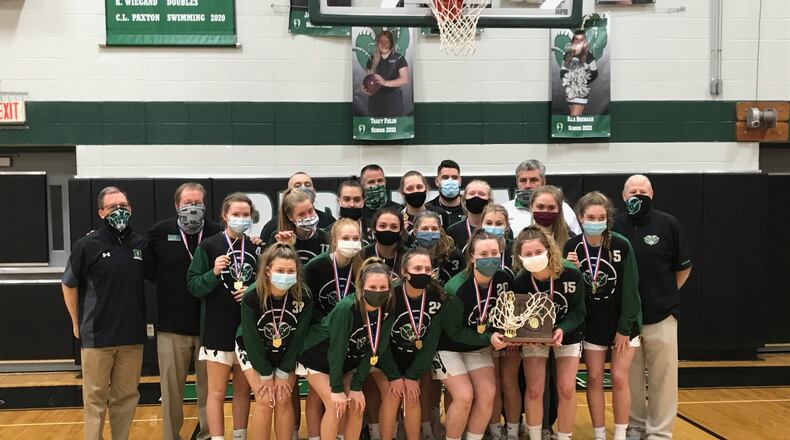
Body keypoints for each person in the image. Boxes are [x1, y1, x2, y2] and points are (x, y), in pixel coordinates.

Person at [61, 186, 149, 440]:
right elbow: (68, 283)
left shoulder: (140, 244)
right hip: (97, 336)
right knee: (95, 400)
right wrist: (76, 322)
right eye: (112, 207)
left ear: (130, 209)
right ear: (101, 213)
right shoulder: (87, 245)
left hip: (132, 337)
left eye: (123, 206)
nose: (119, 211)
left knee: (126, 398)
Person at [613, 175, 692, 440]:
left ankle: (659, 433)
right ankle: (634, 428)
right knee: (630, 379)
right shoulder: (614, 226)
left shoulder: (668, 223)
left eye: (642, 190)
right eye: (632, 191)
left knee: (664, 379)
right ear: (624, 196)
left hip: (662, 316)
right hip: (626, 321)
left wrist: (665, 294)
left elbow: (684, 268)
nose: (638, 194)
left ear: (652, 194)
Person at [564, 191, 641, 440]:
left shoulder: (621, 244)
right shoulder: (572, 247)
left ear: (608, 218)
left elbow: (631, 288)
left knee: (618, 377)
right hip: (592, 324)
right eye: (590, 216)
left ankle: (619, 434)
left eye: (601, 216)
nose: (596, 221)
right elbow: (568, 291)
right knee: (594, 378)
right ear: (581, 217)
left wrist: (625, 328)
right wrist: (571, 270)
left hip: (622, 323)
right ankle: (599, 434)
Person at [147, 182, 221, 440]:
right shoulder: (159, 232)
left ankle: (208, 435)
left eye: (197, 203)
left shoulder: (216, 232)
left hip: (207, 326)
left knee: (209, 390)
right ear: (176, 205)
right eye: (187, 203)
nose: (192, 207)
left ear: (205, 205)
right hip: (171, 328)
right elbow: (149, 271)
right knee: (171, 392)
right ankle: (171, 436)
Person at [187, 192, 262, 440]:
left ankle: (239, 436)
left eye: (245, 215)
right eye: (236, 214)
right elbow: (194, 285)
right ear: (224, 216)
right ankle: (217, 438)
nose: (241, 219)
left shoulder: (255, 246)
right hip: (217, 329)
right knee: (216, 392)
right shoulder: (209, 246)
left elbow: (267, 285)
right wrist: (213, 273)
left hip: (247, 330)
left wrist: (252, 291)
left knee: (243, 391)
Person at [297, 258, 397, 440]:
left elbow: (374, 350)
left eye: (383, 288)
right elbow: (337, 350)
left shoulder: (389, 307)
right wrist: (336, 389)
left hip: (346, 361)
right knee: (335, 404)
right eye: (372, 288)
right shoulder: (346, 309)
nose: (378, 293)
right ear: (360, 287)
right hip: (315, 357)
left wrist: (357, 386)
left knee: (357, 404)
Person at [434, 230, 510, 440]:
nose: (490, 258)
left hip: (477, 347)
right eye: (483, 254)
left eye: (494, 252)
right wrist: (489, 338)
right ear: (472, 257)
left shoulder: (504, 279)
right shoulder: (456, 287)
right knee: (464, 396)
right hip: (448, 347)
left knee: (487, 395)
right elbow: (453, 331)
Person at [512, 226, 586, 440]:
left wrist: (563, 328)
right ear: (519, 256)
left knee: (566, 388)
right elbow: (520, 318)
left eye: (538, 252)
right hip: (535, 339)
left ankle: (564, 437)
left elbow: (579, 311)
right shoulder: (520, 281)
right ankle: (535, 436)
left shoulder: (571, 272)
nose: (534, 257)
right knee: (535, 389)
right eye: (527, 254)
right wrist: (531, 335)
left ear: (549, 250)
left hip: (567, 335)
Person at [237, 243, 314, 440]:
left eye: (291, 271)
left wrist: (283, 370)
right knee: (264, 399)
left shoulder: (303, 295)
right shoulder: (252, 295)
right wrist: (264, 373)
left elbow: (299, 337)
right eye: (280, 270)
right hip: (252, 350)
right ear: (268, 271)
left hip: (288, 351)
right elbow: (251, 338)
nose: (286, 275)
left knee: (283, 398)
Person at [371, 248, 445, 440]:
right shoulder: (389, 295)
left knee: (412, 396)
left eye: (427, 269)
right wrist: (395, 375)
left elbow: (430, 342)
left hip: (412, 359)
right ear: (404, 272)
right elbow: (380, 339)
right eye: (417, 268)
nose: (422, 273)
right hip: (383, 358)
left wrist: (412, 375)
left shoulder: (435, 296)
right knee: (393, 394)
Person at [502, 160, 581, 236]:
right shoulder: (505, 210)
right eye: (523, 180)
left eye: (533, 180)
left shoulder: (564, 209)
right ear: (517, 183)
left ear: (543, 182)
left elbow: (575, 241)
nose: (527, 185)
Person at [260, 172, 336, 244]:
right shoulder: (273, 228)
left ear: (314, 191)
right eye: (297, 186)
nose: (303, 188)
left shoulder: (328, 221)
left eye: (307, 185)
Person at [273, 189, 331, 265]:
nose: (308, 217)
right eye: (301, 214)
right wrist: (286, 247)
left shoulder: (326, 238)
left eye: (310, 211)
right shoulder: (279, 237)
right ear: (290, 217)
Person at [363, 30, 410, 117]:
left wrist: (385, 82)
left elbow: (404, 79)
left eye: (386, 41)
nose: (383, 44)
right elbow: (368, 79)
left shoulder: (399, 58)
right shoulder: (371, 59)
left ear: (391, 43)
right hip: (375, 103)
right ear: (377, 43)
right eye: (381, 41)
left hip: (393, 102)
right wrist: (366, 88)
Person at [413, 210, 464, 286]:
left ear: (439, 231)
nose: (430, 232)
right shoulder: (410, 255)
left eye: (434, 229)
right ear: (415, 232)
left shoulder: (454, 256)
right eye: (424, 228)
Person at [362, 207, 409, 281]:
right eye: (382, 226)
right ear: (374, 229)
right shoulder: (362, 254)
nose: (388, 229)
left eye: (394, 227)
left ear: (400, 231)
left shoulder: (408, 256)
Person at [446, 180, 493, 251]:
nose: (476, 196)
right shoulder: (453, 231)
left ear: (489, 200)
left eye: (481, 194)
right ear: (464, 200)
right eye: (472, 193)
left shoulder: (497, 228)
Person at [561, 30, 598, 117]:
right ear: (573, 41)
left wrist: (582, 82)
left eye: (581, 39)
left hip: (581, 92)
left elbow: (595, 73)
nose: (578, 41)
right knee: (575, 119)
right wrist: (570, 81)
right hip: (570, 91)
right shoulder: (567, 55)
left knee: (574, 116)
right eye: (576, 39)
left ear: (584, 42)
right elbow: (562, 72)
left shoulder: (589, 56)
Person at [399, 170, 445, 237]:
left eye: (419, 187)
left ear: (426, 189)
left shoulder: (439, 214)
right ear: (402, 193)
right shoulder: (398, 217)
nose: (415, 191)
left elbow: (446, 242)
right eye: (410, 188)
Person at [360, 164, 401, 237]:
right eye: (371, 182)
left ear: (385, 182)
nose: (377, 185)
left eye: (380, 181)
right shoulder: (358, 213)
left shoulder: (399, 209)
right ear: (363, 185)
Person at [530, 185, 573, 250]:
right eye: (540, 207)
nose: (545, 211)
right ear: (531, 207)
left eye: (551, 208)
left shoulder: (571, 239)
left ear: (559, 209)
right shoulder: (523, 238)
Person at [426, 160, 465, 227]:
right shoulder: (428, 209)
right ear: (437, 181)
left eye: (454, 178)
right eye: (445, 177)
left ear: (460, 181)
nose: (450, 181)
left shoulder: (469, 207)